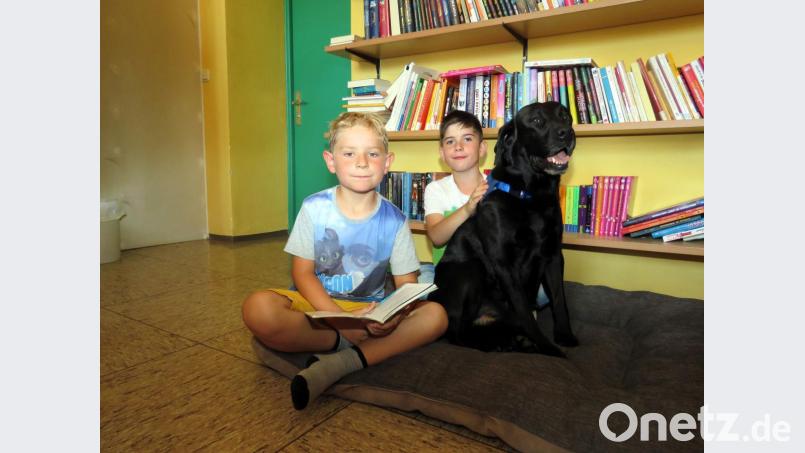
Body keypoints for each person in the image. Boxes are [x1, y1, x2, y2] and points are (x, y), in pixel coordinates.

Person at [242, 112, 448, 410]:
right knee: (257, 308)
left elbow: (407, 286)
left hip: (370, 310)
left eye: (372, 153)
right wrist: (343, 323)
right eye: (349, 153)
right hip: (317, 305)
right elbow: (302, 274)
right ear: (331, 161)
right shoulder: (314, 208)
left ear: (387, 162)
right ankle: (350, 342)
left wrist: (392, 317)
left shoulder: (395, 220)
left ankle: (343, 361)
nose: (362, 162)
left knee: (436, 315)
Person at [423, 110, 549, 308]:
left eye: (467, 139)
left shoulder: (499, 186)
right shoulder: (435, 189)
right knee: (420, 285)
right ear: (442, 153)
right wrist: (468, 208)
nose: (458, 147)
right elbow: (437, 237)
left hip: (495, 271)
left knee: (542, 292)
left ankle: (502, 306)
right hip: (452, 273)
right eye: (449, 142)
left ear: (482, 148)